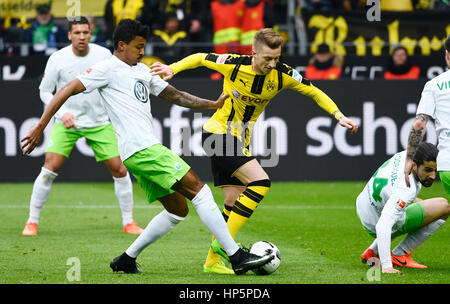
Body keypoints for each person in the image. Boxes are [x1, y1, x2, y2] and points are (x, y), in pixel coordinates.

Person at [21, 18, 274, 275]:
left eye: (144, 46)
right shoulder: (106, 68)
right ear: (121, 45)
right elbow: (66, 89)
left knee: (178, 210)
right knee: (200, 191)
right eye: (138, 46)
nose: (142, 52)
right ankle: (235, 255)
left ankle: (127, 259)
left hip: (138, 153)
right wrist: (41, 125)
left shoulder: (142, 70)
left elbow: (175, 95)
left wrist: (212, 104)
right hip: (141, 148)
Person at [150, 28, 359, 274]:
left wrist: (338, 115)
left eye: (277, 58)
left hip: (239, 141)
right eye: (267, 58)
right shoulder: (234, 64)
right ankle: (223, 246)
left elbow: (314, 91)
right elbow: (199, 57)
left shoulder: (283, 75)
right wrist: (172, 68)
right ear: (254, 53)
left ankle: (212, 263)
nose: (272, 64)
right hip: (217, 134)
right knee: (260, 182)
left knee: (232, 202)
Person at [21, 17, 143, 236]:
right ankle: (31, 222)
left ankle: (129, 222)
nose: (81, 37)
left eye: (85, 32)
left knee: (120, 169)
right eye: (77, 33)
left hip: (99, 122)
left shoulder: (103, 55)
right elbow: (45, 91)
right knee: (49, 168)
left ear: (91, 33)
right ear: (69, 35)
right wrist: (61, 113)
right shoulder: (57, 58)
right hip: (66, 121)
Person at [357, 142, 449, 274]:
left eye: (435, 170)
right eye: (428, 170)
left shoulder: (406, 155)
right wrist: (387, 266)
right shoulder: (407, 189)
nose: (433, 176)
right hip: (374, 222)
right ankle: (399, 254)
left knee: (423, 205)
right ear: (413, 165)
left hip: (363, 204)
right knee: (444, 207)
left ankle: (373, 251)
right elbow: (383, 226)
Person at [404, 35, 450, 196]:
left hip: (447, 164)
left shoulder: (434, 85)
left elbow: (419, 124)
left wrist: (410, 159)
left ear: (447, 55)